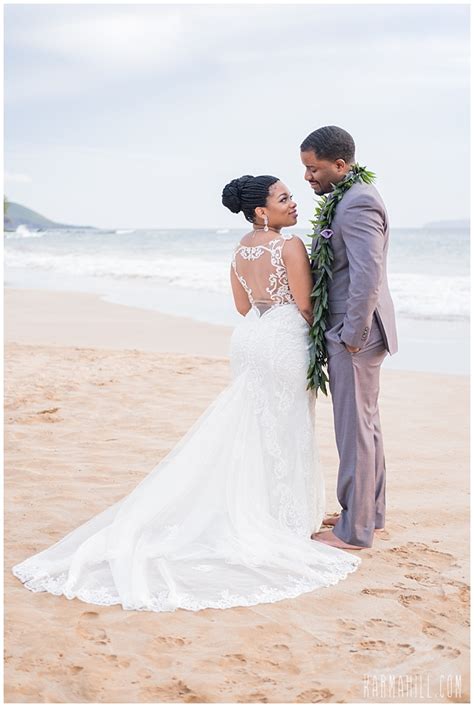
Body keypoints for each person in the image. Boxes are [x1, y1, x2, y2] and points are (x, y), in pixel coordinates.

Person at [12, 174, 359, 613]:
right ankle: (285, 519)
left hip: (252, 337)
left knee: (254, 425)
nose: (293, 204)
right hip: (284, 338)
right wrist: (323, 343)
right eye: (284, 198)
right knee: (286, 425)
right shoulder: (289, 246)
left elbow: (241, 305)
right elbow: (307, 305)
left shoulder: (239, 249)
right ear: (260, 211)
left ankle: (271, 511)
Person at [300, 126, 398, 551]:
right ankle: (367, 515)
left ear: (340, 165)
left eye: (313, 168)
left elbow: (367, 275)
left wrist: (350, 335)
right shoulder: (351, 196)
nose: (307, 177)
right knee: (366, 425)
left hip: (355, 333)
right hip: (359, 331)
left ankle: (353, 532)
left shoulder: (357, 202)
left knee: (353, 430)